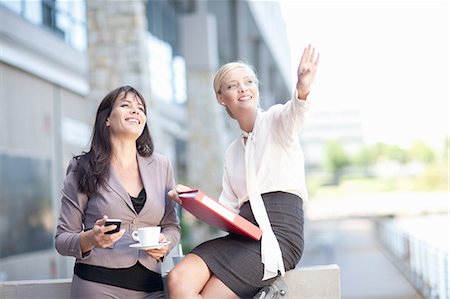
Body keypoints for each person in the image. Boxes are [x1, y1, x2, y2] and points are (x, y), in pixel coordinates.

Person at [167, 45, 319, 299]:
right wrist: (189, 201)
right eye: (232, 85)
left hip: (279, 237)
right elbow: (227, 211)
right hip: (243, 237)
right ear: (220, 97)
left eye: (248, 81)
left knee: (210, 295)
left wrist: (302, 87)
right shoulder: (232, 152)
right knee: (177, 279)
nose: (243, 88)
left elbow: (296, 112)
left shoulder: (276, 121)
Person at [55, 85, 181, 299]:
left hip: (150, 287)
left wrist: (165, 243)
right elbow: (62, 239)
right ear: (106, 119)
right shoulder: (82, 167)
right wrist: (91, 239)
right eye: (125, 105)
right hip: (96, 285)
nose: (135, 111)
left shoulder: (162, 166)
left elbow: (172, 226)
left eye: (140, 109)